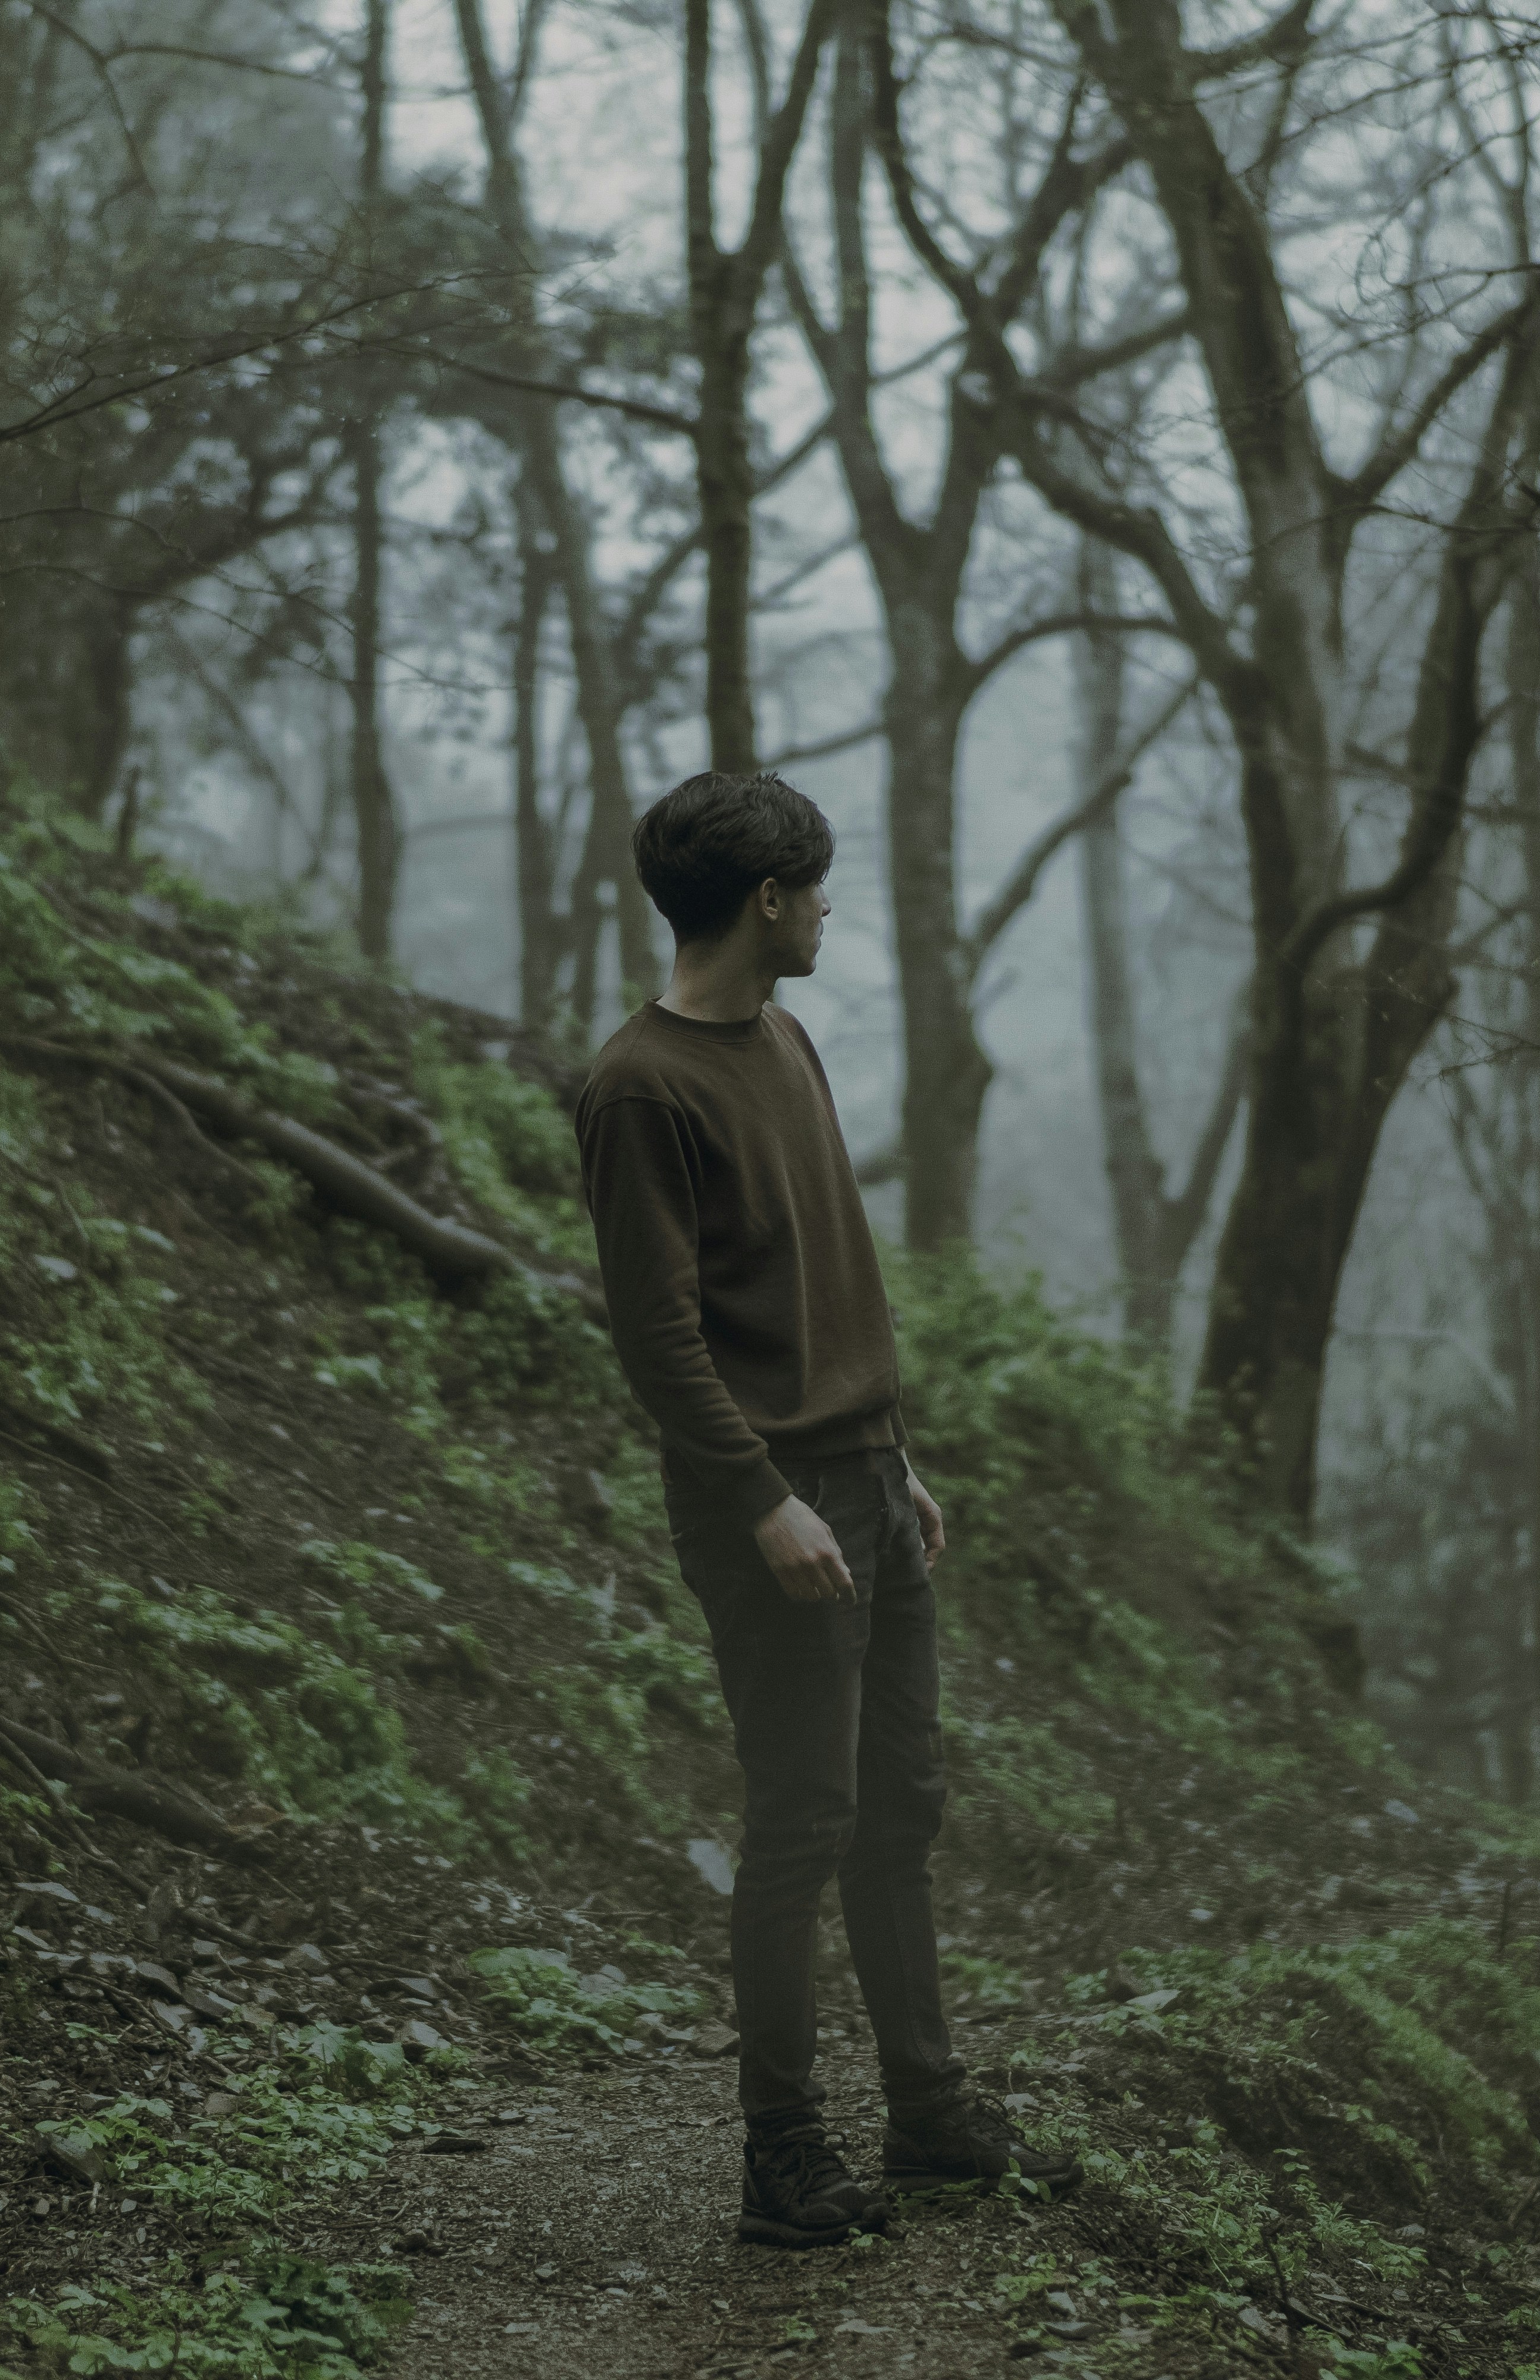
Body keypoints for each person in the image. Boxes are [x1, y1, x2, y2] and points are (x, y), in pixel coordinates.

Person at [571, 769, 1084, 2249]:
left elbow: (834, 1265)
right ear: (770, 903)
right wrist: (762, 1500)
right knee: (804, 1816)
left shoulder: (786, 1037)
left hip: (864, 1472)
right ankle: (779, 2152)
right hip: (772, 1503)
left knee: (899, 1806)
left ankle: (927, 2114)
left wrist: (892, 1450)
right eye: (817, 888)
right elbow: (658, 1335)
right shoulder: (637, 1085)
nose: (830, 909)